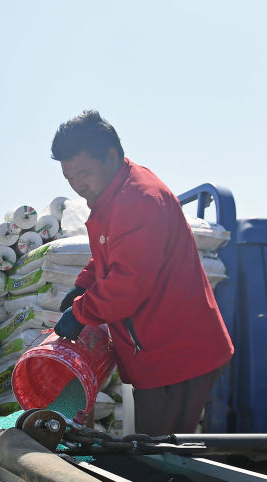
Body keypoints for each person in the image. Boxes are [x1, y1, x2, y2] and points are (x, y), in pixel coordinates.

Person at [50, 110, 233, 436]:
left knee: (160, 453)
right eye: (70, 179)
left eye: (83, 173)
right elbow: (110, 255)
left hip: (177, 355)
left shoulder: (139, 200)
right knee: (153, 446)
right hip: (156, 352)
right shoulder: (112, 196)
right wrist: (83, 285)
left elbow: (126, 285)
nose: (78, 186)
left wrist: (80, 312)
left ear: (111, 156)